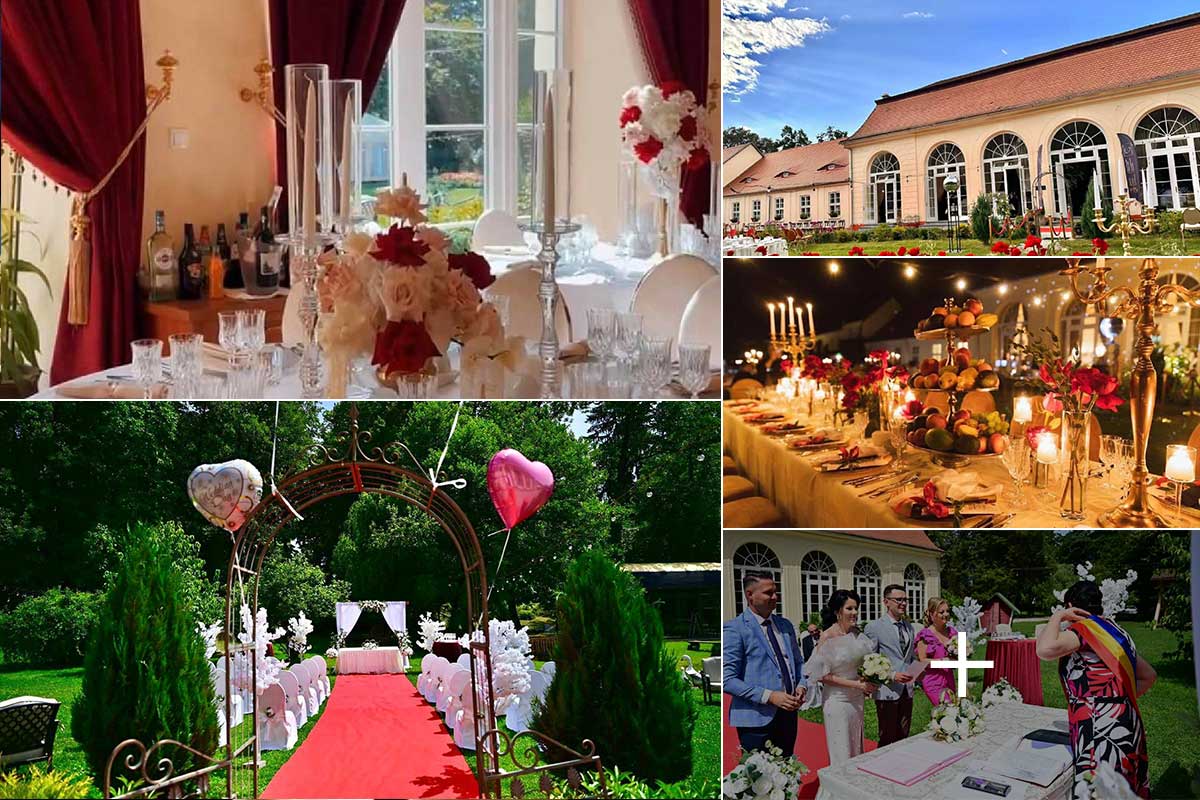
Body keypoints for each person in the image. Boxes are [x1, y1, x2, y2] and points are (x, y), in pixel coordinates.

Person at [1036, 580, 1156, 800]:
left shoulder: (1084, 631)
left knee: (1098, 788)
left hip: (1097, 726)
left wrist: (1058, 616)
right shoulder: (1116, 632)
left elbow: (1044, 649)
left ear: (1072, 605)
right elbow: (1149, 676)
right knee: (1121, 785)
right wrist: (1115, 701)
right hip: (1125, 720)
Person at [723, 573, 808, 756]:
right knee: (758, 779)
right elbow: (727, 679)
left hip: (788, 715)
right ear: (749, 595)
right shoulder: (735, 628)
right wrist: (769, 696)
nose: (775, 597)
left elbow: (799, 663)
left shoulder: (785, 625)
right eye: (769, 593)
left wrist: (801, 685)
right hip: (755, 720)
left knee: (787, 772)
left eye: (775, 592)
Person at [801, 589, 877, 764]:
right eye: (849, 608)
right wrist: (857, 685)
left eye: (856, 608)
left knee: (857, 748)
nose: (855, 613)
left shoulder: (857, 633)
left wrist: (870, 678)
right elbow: (821, 675)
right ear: (837, 612)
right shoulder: (827, 637)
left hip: (857, 700)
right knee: (841, 752)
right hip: (838, 700)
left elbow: (863, 662)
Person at [863, 584, 917, 747]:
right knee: (887, 737)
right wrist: (892, 675)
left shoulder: (909, 627)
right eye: (898, 599)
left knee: (904, 735)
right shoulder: (874, 627)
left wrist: (917, 672)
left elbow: (909, 657)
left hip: (907, 689)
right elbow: (868, 661)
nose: (904, 603)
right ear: (886, 602)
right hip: (888, 690)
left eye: (905, 599)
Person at [914, 597, 957, 706]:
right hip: (933, 681)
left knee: (952, 711)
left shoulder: (952, 632)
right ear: (932, 614)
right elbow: (922, 660)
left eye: (947, 611)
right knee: (945, 709)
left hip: (949, 678)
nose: (946, 614)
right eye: (941, 612)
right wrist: (943, 661)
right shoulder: (925, 635)